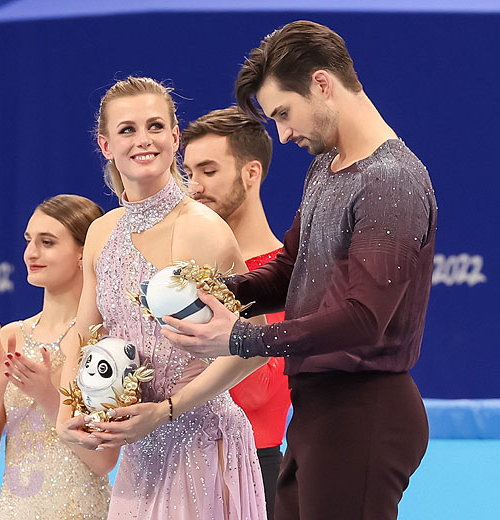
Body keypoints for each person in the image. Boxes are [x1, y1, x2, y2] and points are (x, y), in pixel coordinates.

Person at [162, 20, 437, 520]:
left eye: (284, 114)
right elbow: (289, 274)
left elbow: (362, 319)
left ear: (322, 84)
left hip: (364, 412)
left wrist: (241, 339)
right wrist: (201, 294)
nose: (284, 134)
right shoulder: (325, 168)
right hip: (320, 412)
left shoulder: (391, 181)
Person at [56, 76, 268, 520]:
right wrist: (66, 411)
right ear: (105, 145)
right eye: (127, 130)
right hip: (140, 452)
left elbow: (253, 348)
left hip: (201, 444)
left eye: (155, 126)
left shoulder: (202, 228)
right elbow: (81, 334)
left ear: (175, 136)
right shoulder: (101, 232)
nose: (143, 140)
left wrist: (168, 410)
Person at [0, 195, 111, 519]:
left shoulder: (102, 340)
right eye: (29, 240)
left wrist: (47, 396)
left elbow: (104, 461)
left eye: (47, 242)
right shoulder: (10, 337)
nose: (31, 253)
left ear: (82, 254)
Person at [181, 106, 291, 520]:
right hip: (173, 467)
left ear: (251, 173)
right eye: (189, 173)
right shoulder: (181, 273)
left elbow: (261, 391)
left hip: (252, 472)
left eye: (208, 171)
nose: (194, 187)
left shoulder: (286, 271)